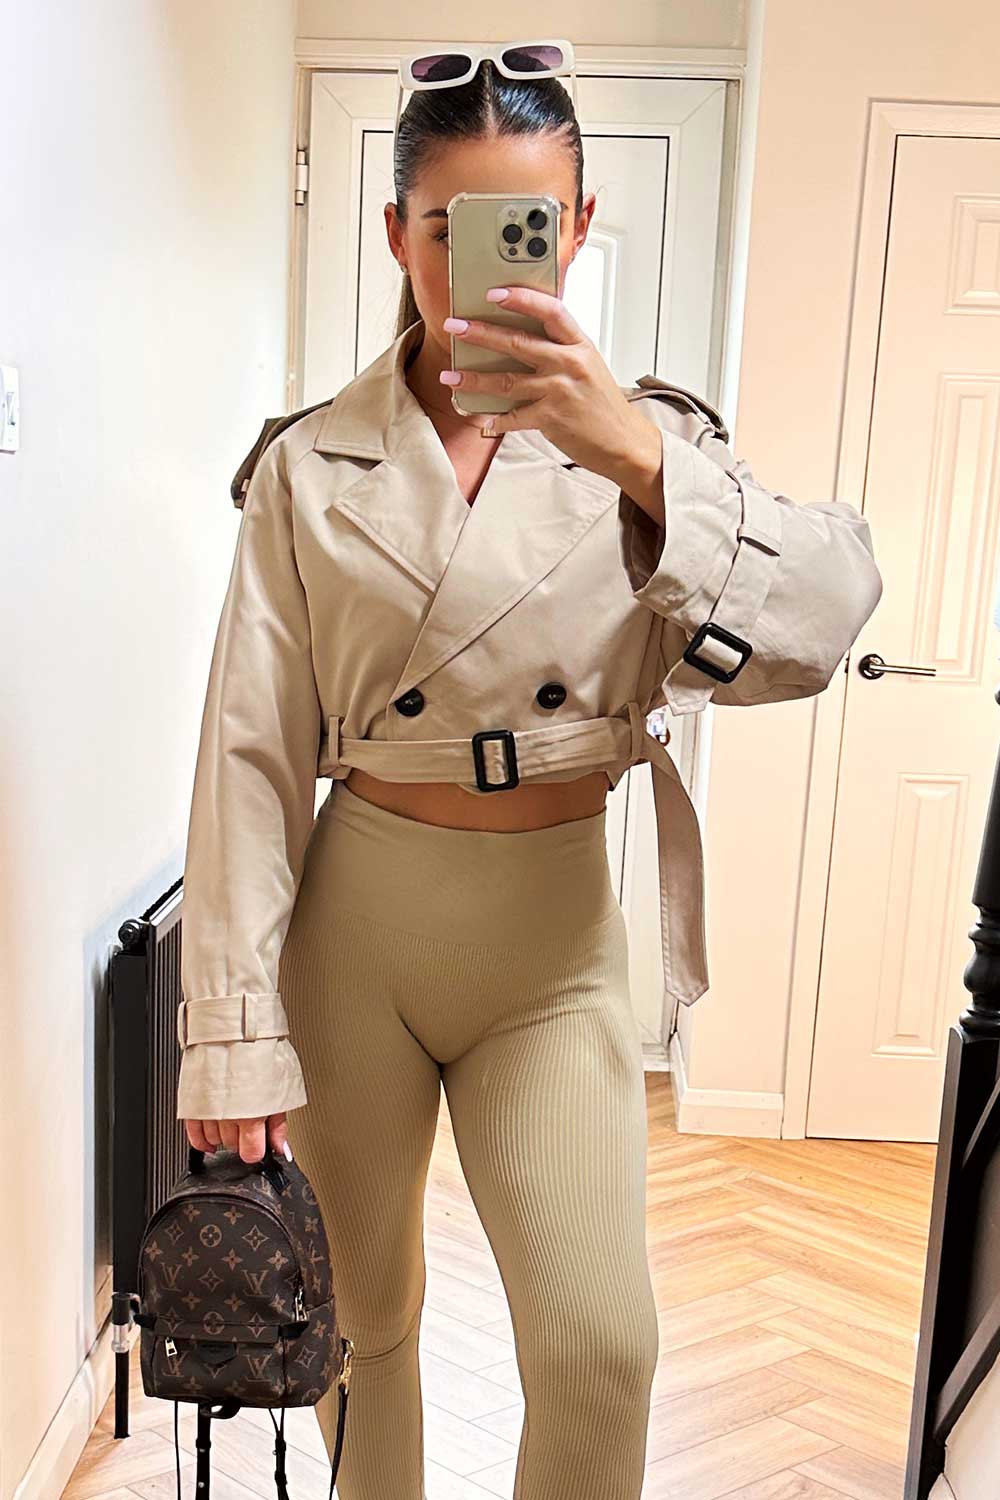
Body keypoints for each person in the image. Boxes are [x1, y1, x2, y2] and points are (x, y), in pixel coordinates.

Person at [175, 47, 883, 1500]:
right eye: (450, 229)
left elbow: (826, 620)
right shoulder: (309, 467)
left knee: (602, 1348)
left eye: (529, 227)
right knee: (365, 1326)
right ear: (397, 235)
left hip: (554, 944)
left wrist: (632, 454)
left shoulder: (656, 450)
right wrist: (231, 1033)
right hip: (357, 936)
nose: (485, 265)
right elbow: (250, 755)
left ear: (578, 226)